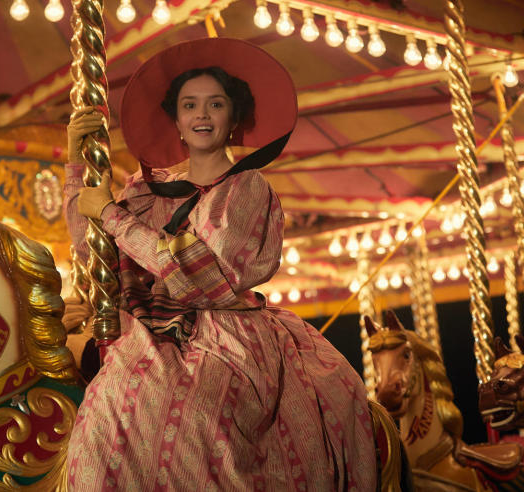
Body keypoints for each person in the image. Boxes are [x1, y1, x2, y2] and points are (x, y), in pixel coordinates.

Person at [63, 38, 376, 490]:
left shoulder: (246, 189)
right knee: (97, 412)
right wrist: (78, 163)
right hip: (146, 328)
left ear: (234, 117)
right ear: (177, 119)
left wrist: (112, 216)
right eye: (190, 105)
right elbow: (93, 253)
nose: (202, 114)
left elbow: (200, 276)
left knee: (196, 418)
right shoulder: (146, 188)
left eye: (215, 104)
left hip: (220, 331)